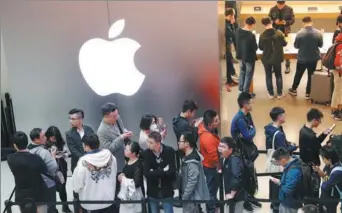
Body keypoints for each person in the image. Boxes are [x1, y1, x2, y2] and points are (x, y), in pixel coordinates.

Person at [230, 92, 260, 212]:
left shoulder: (247, 116)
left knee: (250, 175)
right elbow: (248, 135)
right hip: (241, 153)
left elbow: (251, 129)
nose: (252, 104)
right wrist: (252, 130)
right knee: (244, 176)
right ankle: (246, 200)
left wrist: (252, 129)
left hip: (247, 151)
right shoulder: (240, 119)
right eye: (250, 102)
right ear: (245, 104)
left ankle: (250, 196)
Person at [72, 133, 117, 213]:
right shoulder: (111, 157)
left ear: (86, 146)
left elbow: (77, 186)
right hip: (109, 200)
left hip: (91, 204)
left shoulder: (83, 162)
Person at [265, 107, 297, 213]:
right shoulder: (278, 134)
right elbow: (283, 151)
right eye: (284, 114)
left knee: (273, 180)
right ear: (279, 117)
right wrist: (294, 147)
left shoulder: (270, 128)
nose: (285, 116)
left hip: (272, 159)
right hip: (278, 162)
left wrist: (287, 142)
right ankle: (276, 205)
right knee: (278, 181)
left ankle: (273, 202)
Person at [7, 132, 48, 213]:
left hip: (20, 195)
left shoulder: (10, 158)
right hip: (38, 194)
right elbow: (45, 172)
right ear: (27, 142)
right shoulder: (36, 158)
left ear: (15, 145)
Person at [299, 108, 332, 201]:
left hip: (306, 163)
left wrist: (323, 134)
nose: (319, 123)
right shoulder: (310, 135)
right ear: (314, 120)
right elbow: (319, 149)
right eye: (319, 121)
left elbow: (315, 143)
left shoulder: (303, 130)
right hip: (312, 168)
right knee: (313, 190)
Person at [65, 108, 94, 213]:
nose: (71, 121)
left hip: (92, 163)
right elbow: (73, 150)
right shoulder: (69, 133)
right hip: (78, 164)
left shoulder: (89, 129)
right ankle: (79, 209)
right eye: (70, 118)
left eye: (73, 119)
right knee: (77, 187)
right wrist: (85, 159)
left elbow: (94, 143)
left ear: (80, 119)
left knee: (90, 185)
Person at [288, 16, 323, 100]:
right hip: (313, 58)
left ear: (303, 23)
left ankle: (294, 89)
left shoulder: (299, 33)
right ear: (312, 22)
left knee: (298, 74)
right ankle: (308, 93)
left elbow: (296, 46)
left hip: (302, 58)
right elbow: (320, 45)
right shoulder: (318, 33)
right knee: (311, 76)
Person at [143, 132, 176, 213]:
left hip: (166, 189)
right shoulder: (146, 153)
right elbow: (146, 173)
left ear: (158, 143)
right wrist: (163, 170)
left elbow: (172, 172)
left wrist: (153, 172)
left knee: (168, 211)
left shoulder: (169, 151)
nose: (148, 144)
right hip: (152, 190)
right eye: (148, 142)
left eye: (151, 143)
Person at [28, 128, 58, 213]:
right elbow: (53, 167)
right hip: (47, 181)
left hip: (33, 181)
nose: (45, 137)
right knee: (51, 203)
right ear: (36, 139)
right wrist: (53, 156)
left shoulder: (28, 149)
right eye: (43, 136)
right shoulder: (44, 152)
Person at [179, 131, 209, 213]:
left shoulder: (192, 161)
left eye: (180, 141)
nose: (178, 143)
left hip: (191, 198)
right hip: (191, 197)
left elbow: (192, 181)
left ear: (187, 143)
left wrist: (185, 196)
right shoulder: (188, 156)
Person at [259, 16, 287, 99]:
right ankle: (279, 93)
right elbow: (284, 43)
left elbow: (260, 47)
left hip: (266, 58)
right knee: (278, 75)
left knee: (268, 75)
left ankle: (271, 94)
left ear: (263, 24)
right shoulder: (279, 33)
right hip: (277, 58)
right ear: (271, 22)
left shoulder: (262, 35)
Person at [44, 126, 71, 213]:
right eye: (52, 137)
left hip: (62, 169)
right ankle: (52, 209)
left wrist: (63, 154)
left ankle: (65, 206)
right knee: (50, 190)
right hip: (50, 171)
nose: (54, 139)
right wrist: (52, 156)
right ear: (48, 136)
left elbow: (66, 154)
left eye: (56, 137)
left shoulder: (60, 143)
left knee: (63, 188)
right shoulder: (44, 145)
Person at [198, 110, 220, 213]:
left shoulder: (209, 130)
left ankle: (214, 202)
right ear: (210, 124)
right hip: (210, 167)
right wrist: (219, 166)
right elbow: (214, 156)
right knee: (211, 189)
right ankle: (211, 209)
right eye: (216, 120)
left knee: (213, 188)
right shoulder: (207, 138)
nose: (219, 121)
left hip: (210, 165)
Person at [271, 148, 303, 213]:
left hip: (290, 204)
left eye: (278, 162)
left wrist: (279, 183)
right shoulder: (291, 165)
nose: (278, 164)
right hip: (287, 201)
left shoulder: (293, 171)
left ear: (283, 160)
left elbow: (288, 190)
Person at [219, 137, 246, 213]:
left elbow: (237, 177)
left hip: (237, 195)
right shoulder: (226, 157)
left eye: (223, 146)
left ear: (230, 150)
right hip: (231, 193)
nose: (220, 148)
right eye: (219, 146)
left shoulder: (234, 160)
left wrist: (232, 194)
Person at [268, 1, 295, 74]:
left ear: (284, 3)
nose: (280, 7)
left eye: (282, 5)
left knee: (287, 48)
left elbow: (293, 20)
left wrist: (286, 22)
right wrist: (274, 21)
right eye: (279, 5)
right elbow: (268, 19)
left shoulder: (289, 9)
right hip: (274, 31)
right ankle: (274, 65)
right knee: (274, 48)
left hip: (285, 30)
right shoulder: (272, 9)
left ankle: (287, 66)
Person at [118, 142, 144, 213]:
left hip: (134, 194)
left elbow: (136, 183)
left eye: (127, 150)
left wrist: (123, 179)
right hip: (126, 192)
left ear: (134, 153)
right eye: (125, 149)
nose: (125, 151)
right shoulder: (128, 160)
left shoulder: (138, 165)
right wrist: (122, 175)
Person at [314, 146, 342, 213]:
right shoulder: (329, 165)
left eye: (323, 158)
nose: (323, 161)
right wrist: (321, 173)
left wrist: (324, 177)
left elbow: (325, 187)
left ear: (329, 160)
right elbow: (327, 178)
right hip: (326, 196)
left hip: (331, 198)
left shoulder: (337, 172)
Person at [235, 16, 258, 95]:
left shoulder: (238, 31)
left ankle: (240, 89)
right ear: (252, 25)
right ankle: (245, 93)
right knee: (248, 75)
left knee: (242, 72)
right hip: (249, 58)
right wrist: (253, 35)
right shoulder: (251, 35)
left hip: (240, 56)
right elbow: (255, 48)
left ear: (245, 22)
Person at [225, 8, 239, 92]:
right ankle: (229, 81)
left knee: (229, 63)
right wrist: (233, 24)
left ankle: (230, 79)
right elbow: (233, 34)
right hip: (226, 47)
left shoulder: (227, 23)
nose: (234, 17)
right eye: (233, 15)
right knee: (228, 63)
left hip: (227, 46)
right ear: (230, 15)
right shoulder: (227, 25)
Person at [331, 17, 342, 120]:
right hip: (339, 71)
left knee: (339, 90)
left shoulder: (338, 38)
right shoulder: (340, 44)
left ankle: (338, 108)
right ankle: (335, 111)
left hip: (338, 70)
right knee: (337, 90)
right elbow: (338, 62)